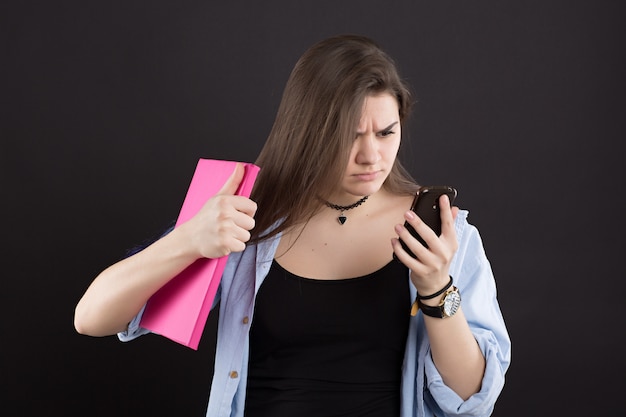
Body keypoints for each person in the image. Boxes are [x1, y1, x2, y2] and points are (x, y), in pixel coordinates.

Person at [74, 34, 511, 417]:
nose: (371, 156)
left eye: (385, 133)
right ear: (309, 132)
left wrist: (437, 287)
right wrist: (189, 239)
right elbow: (92, 318)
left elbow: (473, 399)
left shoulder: (444, 235)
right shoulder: (246, 221)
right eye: (349, 135)